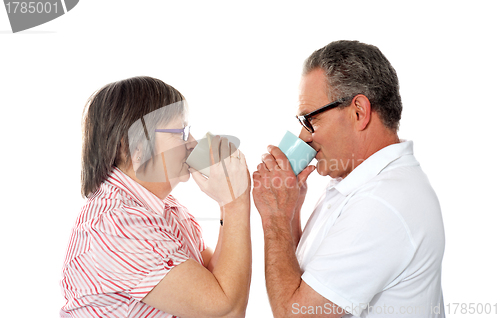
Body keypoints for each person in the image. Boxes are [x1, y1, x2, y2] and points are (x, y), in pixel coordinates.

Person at [253, 40, 445, 317]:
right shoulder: (357, 183)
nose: (304, 137)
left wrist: (275, 218)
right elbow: (304, 280)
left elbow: (294, 313)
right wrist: (291, 210)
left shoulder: (382, 202)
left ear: (359, 112)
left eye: (311, 120)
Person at [60, 76, 252, 318]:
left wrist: (228, 203)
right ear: (134, 148)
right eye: (180, 133)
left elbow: (215, 280)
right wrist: (236, 203)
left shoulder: (168, 209)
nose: (192, 144)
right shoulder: (117, 224)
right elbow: (226, 311)